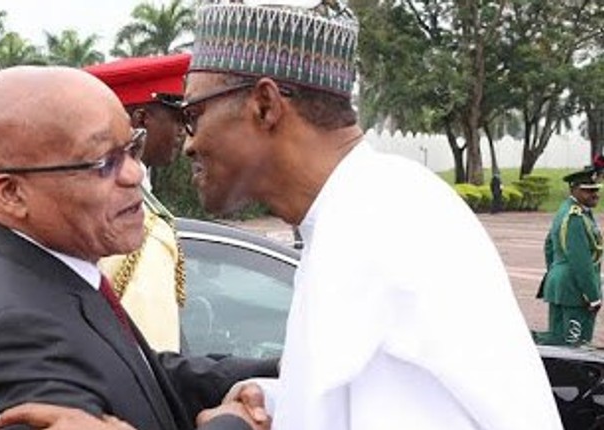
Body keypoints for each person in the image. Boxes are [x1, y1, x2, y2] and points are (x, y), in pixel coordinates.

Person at [177, 2, 560, 429]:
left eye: (193, 116)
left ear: (265, 105)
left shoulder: (379, 231)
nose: (187, 145)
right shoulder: (363, 208)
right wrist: (277, 401)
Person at [0, 65, 277, 430]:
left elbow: (140, 376)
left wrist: (282, 372)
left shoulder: (51, 273)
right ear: (11, 193)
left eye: (133, 148)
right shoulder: (8, 335)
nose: (134, 174)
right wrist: (235, 425)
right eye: (104, 162)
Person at [84, 53, 190, 352]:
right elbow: (155, 354)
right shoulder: (136, 224)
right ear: (141, 120)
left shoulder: (87, 206)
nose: (184, 131)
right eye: (179, 118)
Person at [535, 166, 602, 346]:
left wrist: (556, 272)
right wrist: (593, 295)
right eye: (587, 191)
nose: (595, 194)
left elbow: (549, 246)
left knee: (557, 341)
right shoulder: (575, 217)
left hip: (562, 285)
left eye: (596, 190)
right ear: (573, 189)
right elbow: (582, 262)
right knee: (575, 346)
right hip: (575, 290)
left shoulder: (566, 210)